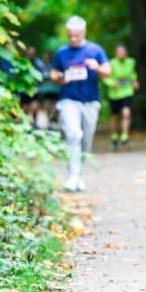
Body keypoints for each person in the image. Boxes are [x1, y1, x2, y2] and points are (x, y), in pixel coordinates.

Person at [49, 16, 111, 192]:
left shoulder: (95, 50)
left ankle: (79, 174)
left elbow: (108, 71)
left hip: (90, 101)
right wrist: (60, 78)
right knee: (74, 134)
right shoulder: (62, 52)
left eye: (76, 35)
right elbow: (53, 73)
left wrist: (96, 67)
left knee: (86, 139)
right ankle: (72, 175)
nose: (73, 39)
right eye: (70, 36)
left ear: (83, 33)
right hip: (69, 99)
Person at [103, 44, 139, 150]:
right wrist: (112, 83)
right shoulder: (111, 63)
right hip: (114, 94)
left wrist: (134, 81)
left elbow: (132, 74)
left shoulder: (131, 62)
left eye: (123, 52)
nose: (121, 54)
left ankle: (124, 136)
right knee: (114, 116)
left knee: (126, 113)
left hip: (127, 92)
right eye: (119, 52)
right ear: (116, 53)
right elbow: (105, 78)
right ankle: (114, 137)